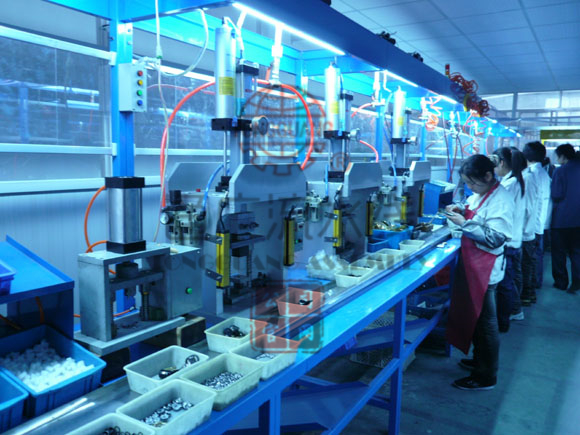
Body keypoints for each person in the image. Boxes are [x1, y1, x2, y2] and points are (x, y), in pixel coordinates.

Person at [446, 155, 513, 390]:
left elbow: (495, 237)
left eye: (473, 183)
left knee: (486, 324)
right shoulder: (484, 193)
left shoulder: (501, 199)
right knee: (477, 317)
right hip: (475, 264)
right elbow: (479, 214)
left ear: (488, 176)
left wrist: (464, 223)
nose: (470, 188)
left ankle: (486, 376)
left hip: (486, 267)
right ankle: (479, 360)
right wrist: (462, 210)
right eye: (467, 183)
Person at [492, 147, 526, 332]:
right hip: (515, 239)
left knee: (505, 283)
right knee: (510, 280)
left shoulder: (509, 185)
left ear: (502, 162)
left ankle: (504, 321)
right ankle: (514, 310)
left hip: (509, 241)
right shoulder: (514, 181)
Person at [551, 144, 580, 294]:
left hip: (562, 219)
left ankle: (561, 282)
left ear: (563, 156)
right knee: (577, 251)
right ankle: (577, 282)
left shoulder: (560, 171)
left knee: (559, 252)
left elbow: (556, 194)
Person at [522, 141, 551, 294]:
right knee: (535, 256)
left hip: (531, 225)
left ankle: (530, 289)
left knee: (530, 259)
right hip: (540, 222)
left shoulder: (531, 175)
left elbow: (528, 206)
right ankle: (534, 285)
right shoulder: (544, 174)